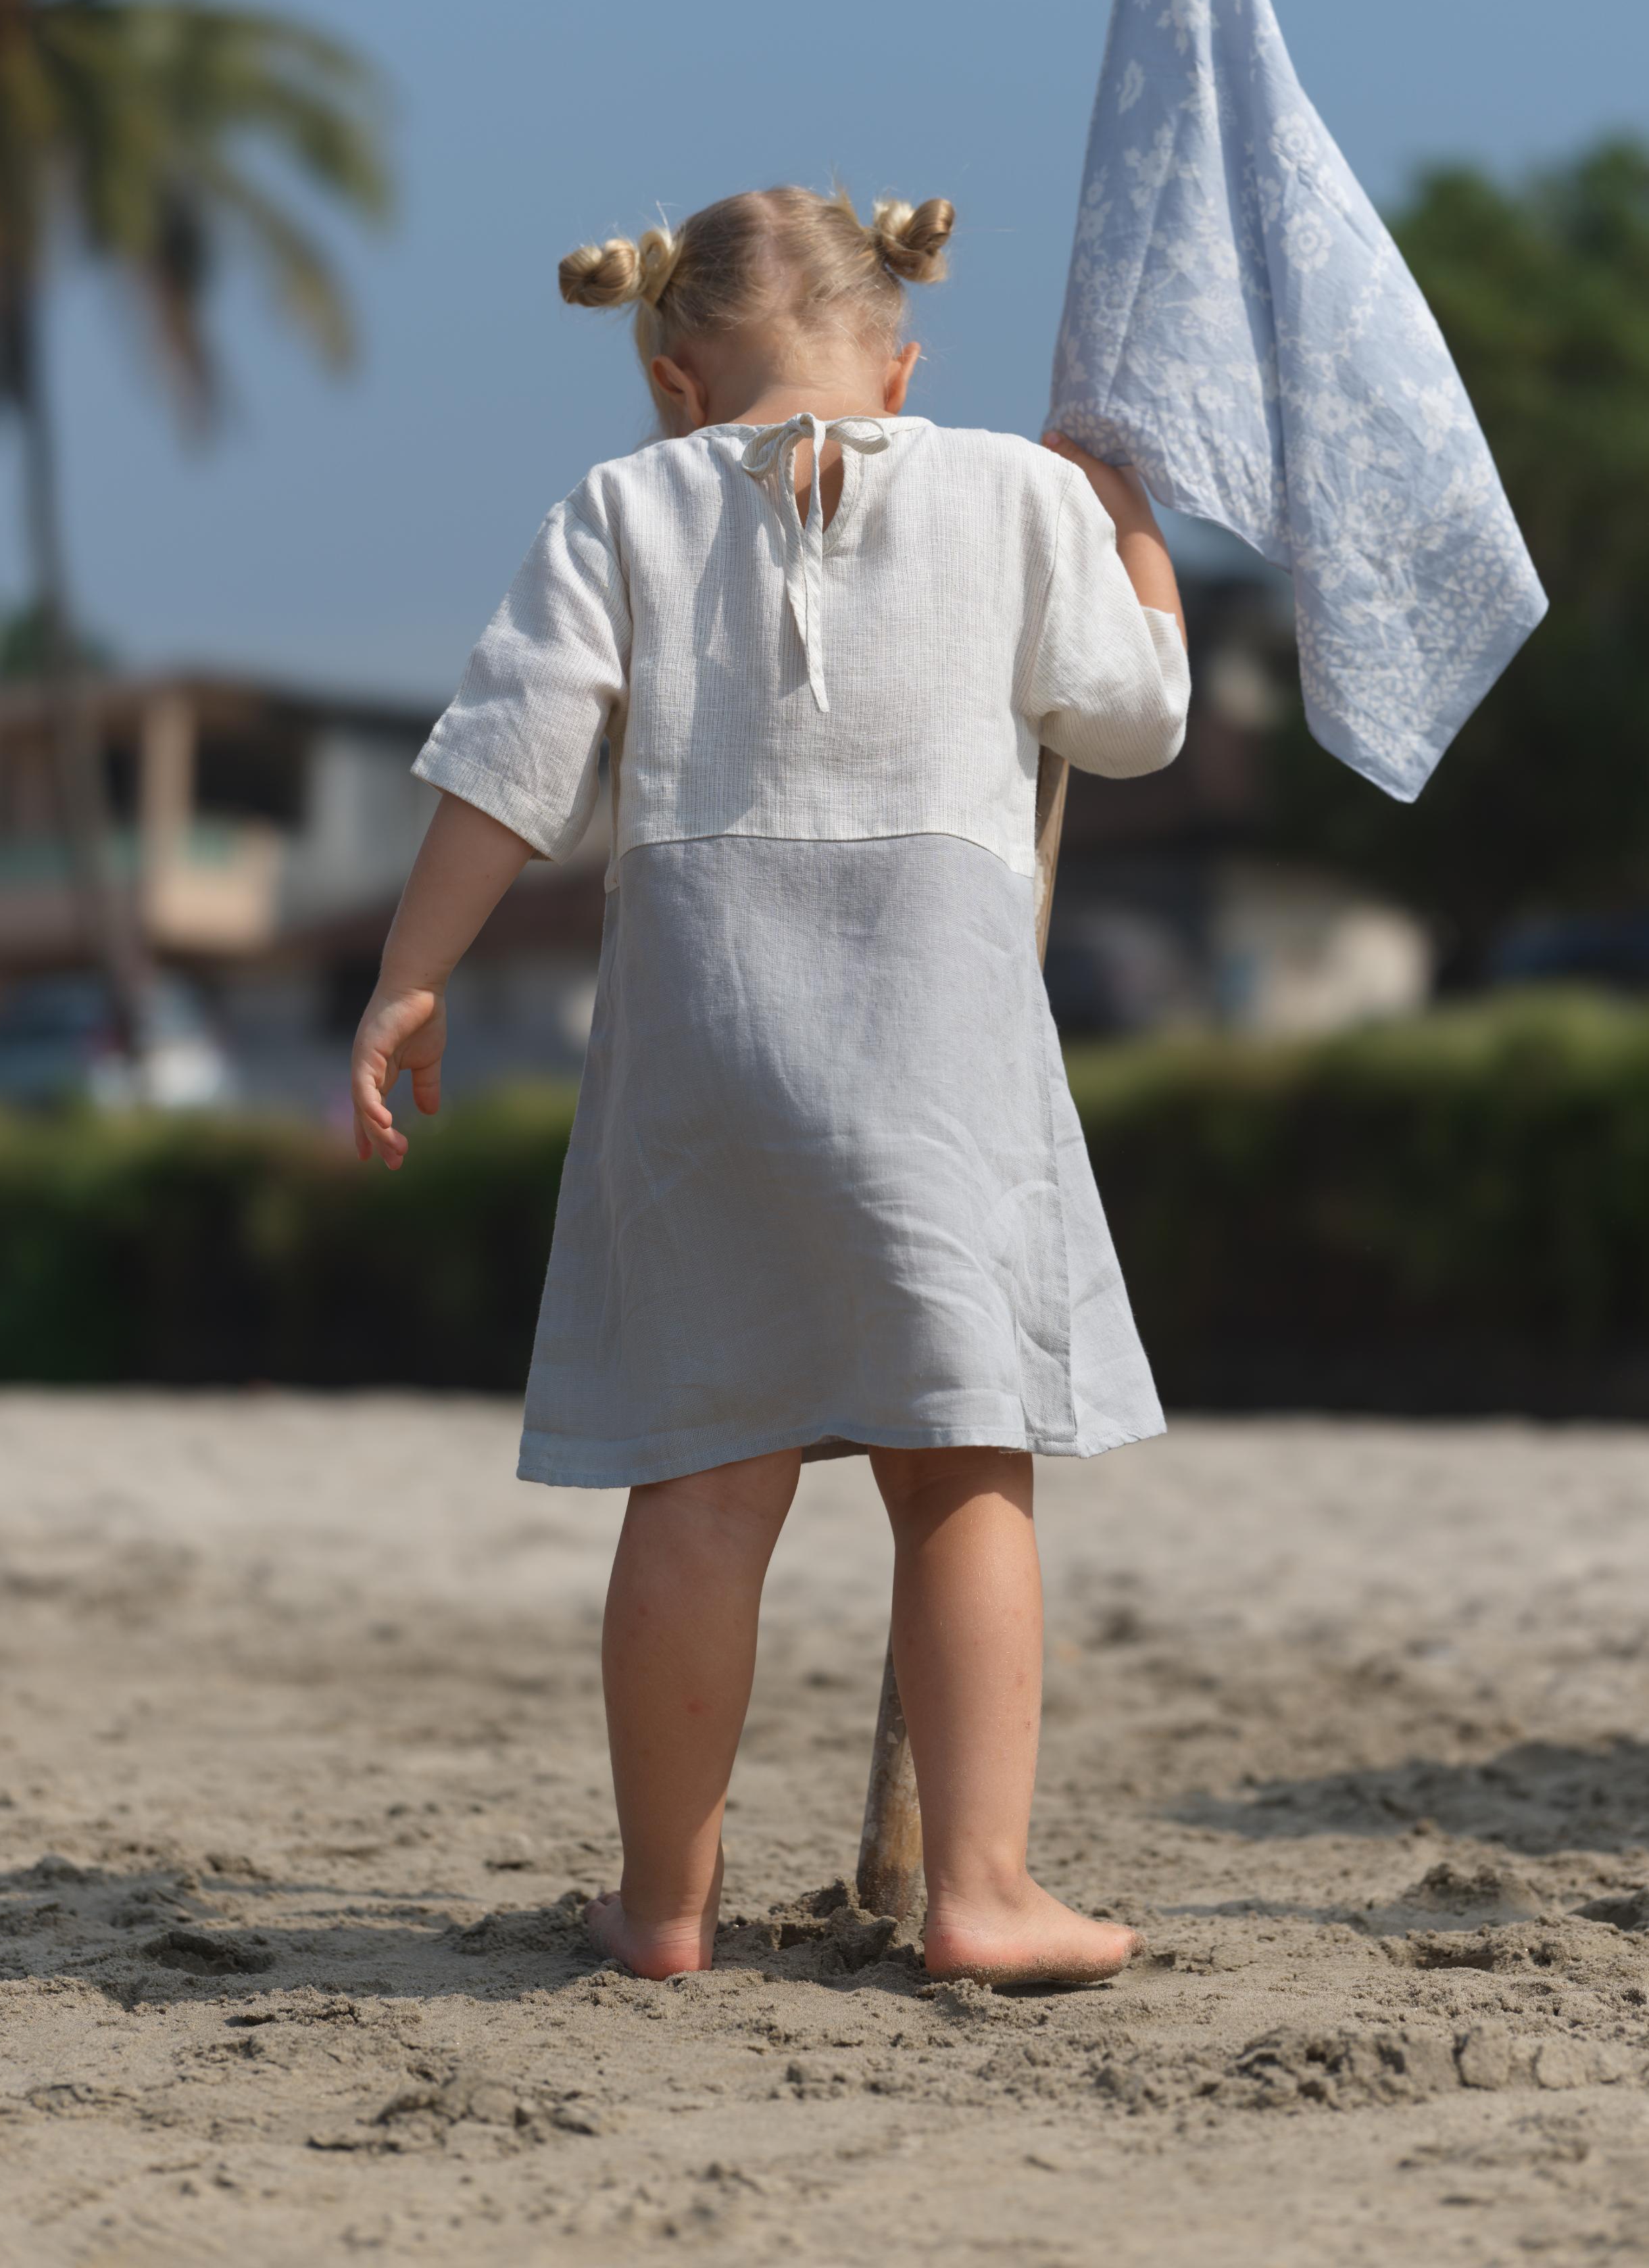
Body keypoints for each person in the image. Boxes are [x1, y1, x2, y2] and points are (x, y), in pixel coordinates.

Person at [350, 185, 1189, 1987]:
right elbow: (1132, 720)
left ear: (669, 373)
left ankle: (663, 1905)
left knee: (704, 1473)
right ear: (902, 359)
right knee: (958, 1462)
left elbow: (513, 762)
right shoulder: (1016, 493)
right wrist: (1131, 532)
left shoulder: (622, 502)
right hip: (937, 1022)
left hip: (699, 1016)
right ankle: (977, 1887)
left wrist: (411, 979)